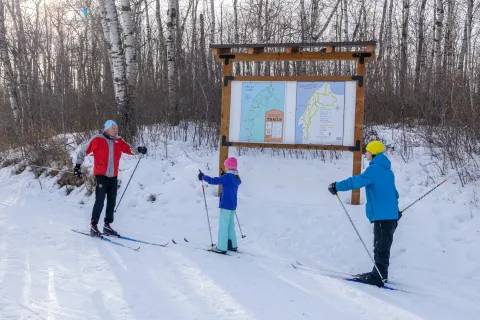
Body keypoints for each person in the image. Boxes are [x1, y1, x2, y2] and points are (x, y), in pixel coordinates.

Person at [328, 140, 399, 287]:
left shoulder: (374, 170)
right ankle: (379, 274)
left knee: (380, 247)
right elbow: (394, 194)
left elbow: (356, 181)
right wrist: (394, 212)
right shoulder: (387, 171)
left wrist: (337, 186)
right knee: (383, 246)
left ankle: (378, 277)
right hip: (390, 216)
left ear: (372, 153)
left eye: (367, 151)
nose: (365, 153)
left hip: (382, 216)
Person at [74, 120, 147, 237]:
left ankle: (107, 226)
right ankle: (93, 226)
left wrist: (139, 150)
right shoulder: (98, 139)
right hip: (101, 175)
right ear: (107, 128)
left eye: (117, 128)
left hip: (113, 176)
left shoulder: (118, 141)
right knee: (100, 200)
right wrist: (77, 165)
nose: (116, 130)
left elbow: (129, 148)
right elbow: (84, 151)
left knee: (112, 201)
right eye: (113, 128)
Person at [198, 157, 241, 254]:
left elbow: (215, 181)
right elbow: (228, 182)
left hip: (225, 205)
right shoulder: (236, 177)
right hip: (232, 205)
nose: (225, 168)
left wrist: (203, 177)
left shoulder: (227, 177)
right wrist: (224, 177)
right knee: (230, 225)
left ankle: (221, 247)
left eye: (226, 166)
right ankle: (232, 245)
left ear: (228, 167)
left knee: (223, 226)